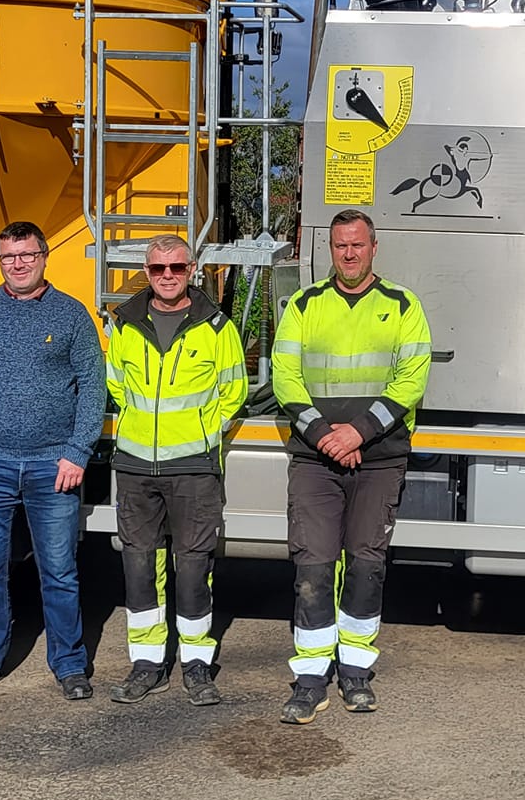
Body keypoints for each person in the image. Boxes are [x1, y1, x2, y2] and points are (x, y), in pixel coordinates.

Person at [270, 209, 431, 724]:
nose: (349, 253)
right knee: (312, 568)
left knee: (366, 563)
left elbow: (410, 381)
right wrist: (324, 434)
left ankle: (356, 672)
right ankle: (311, 678)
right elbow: (285, 376)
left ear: (373, 247)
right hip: (315, 458)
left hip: (378, 456)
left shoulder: (403, 306)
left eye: (357, 245)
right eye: (340, 245)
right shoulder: (303, 304)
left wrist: (358, 432)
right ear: (331, 249)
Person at [0, 221, 107, 701]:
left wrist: (77, 453)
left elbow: (93, 388)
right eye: (9, 257)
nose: (18, 264)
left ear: (44, 256)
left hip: (53, 468)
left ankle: (70, 665)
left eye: (26, 255)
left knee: (59, 571)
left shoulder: (71, 315)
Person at [102, 235, 248, 706]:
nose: (168, 275)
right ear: (147, 273)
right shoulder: (124, 325)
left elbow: (234, 392)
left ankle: (196, 663)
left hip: (195, 468)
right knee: (140, 566)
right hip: (136, 466)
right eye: (159, 268)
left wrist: (203, 434)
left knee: (192, 568)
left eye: (178, 267)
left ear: (193, 270)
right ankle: (147, 663)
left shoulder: (217, 327)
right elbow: (118, 387)